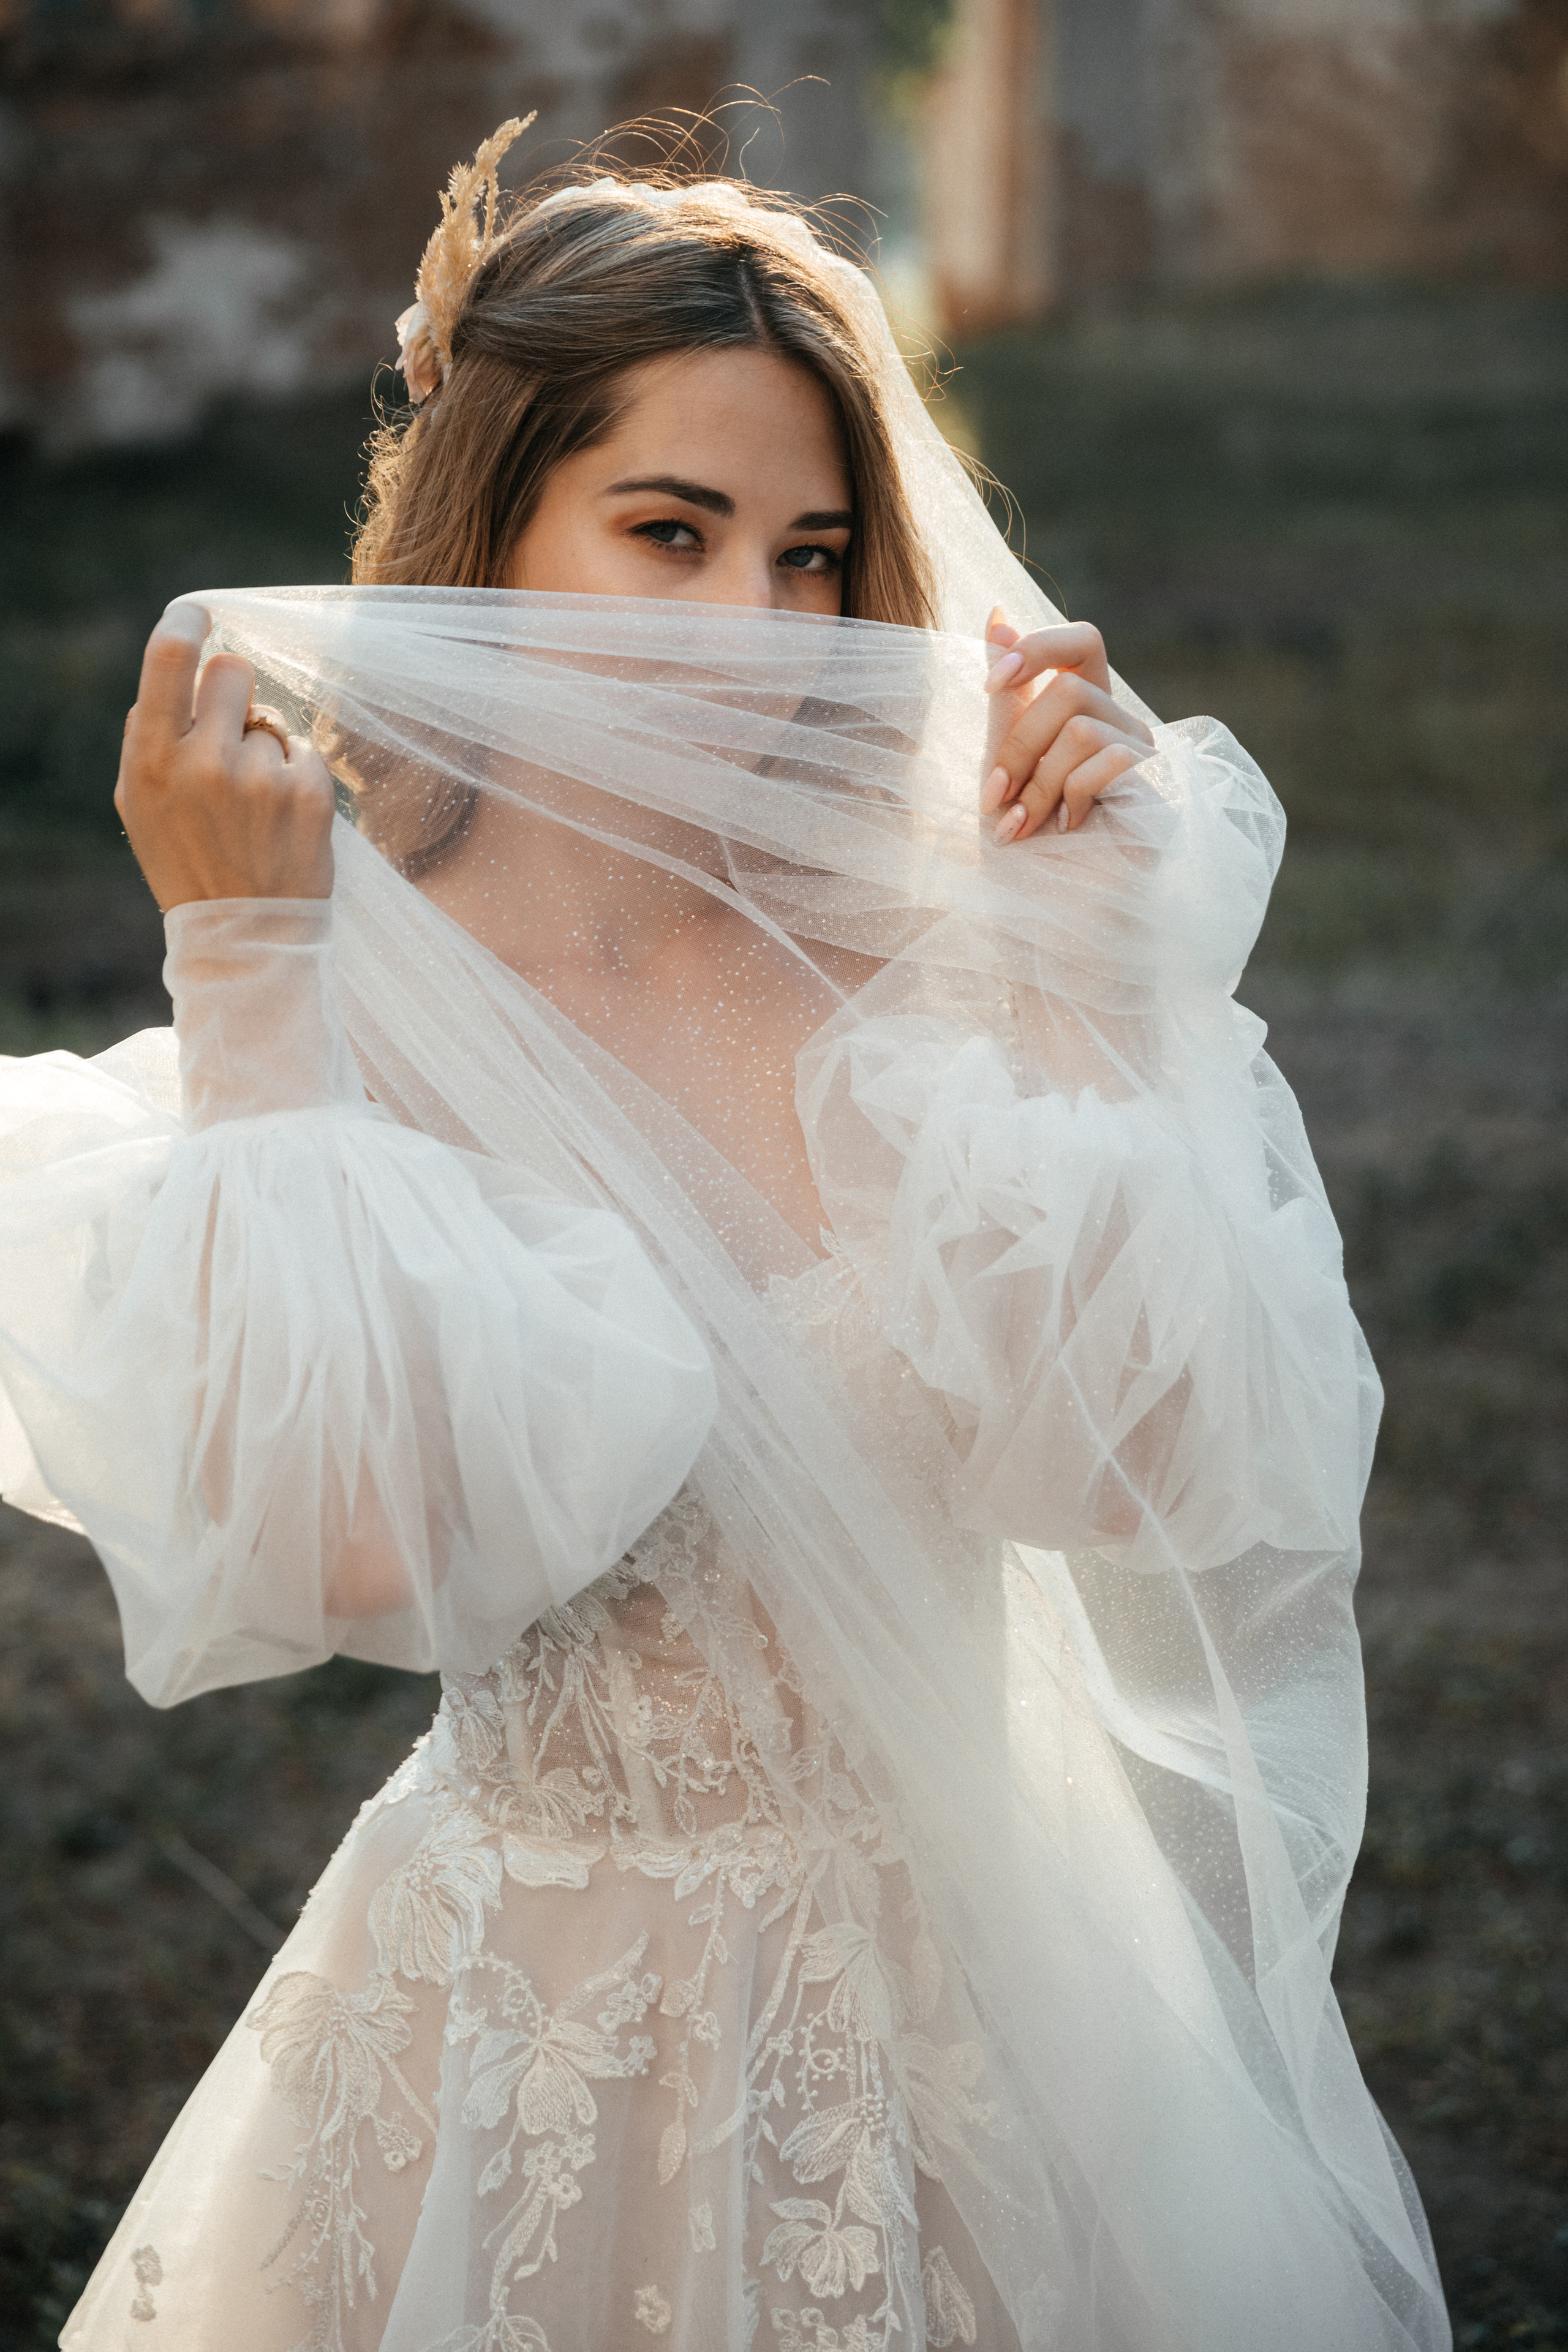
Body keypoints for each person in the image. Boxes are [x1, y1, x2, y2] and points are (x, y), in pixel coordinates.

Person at [0, 122, 1451, 2352]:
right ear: (493, 527)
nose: (755, 630)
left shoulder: (926, 945)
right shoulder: (351, 988)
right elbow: (350, 1556)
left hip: (999, 2011)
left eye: (807, 555)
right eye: (666, 532)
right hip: (536, 2023)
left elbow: (1133, 1486)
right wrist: (249, 972)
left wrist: (1078, 990)